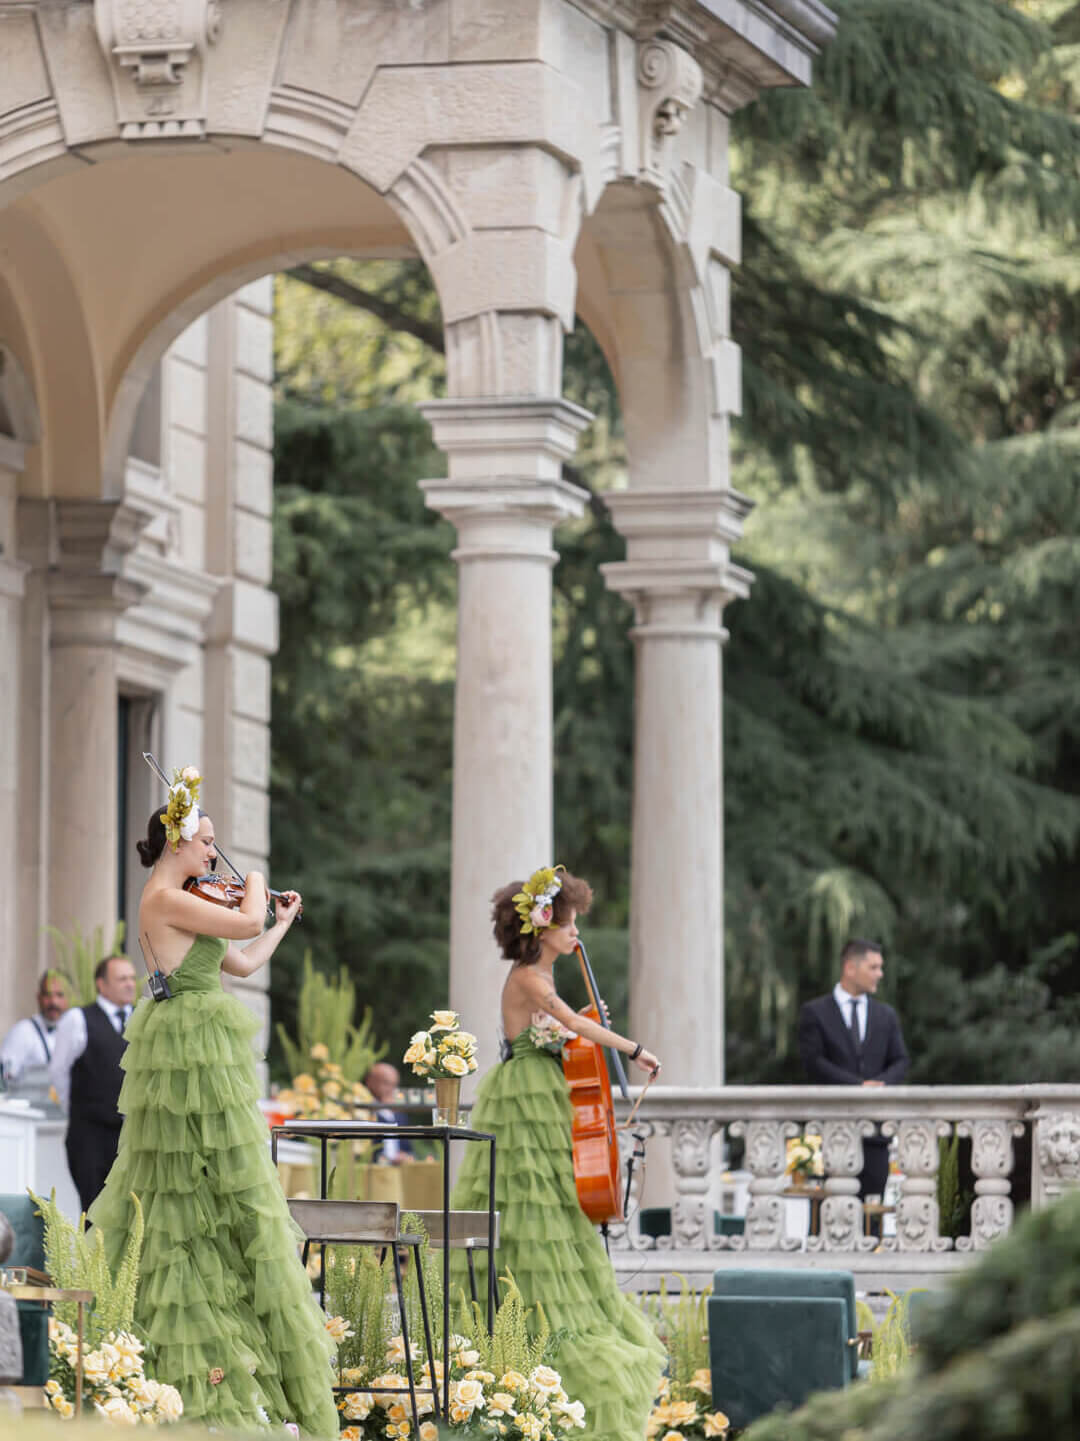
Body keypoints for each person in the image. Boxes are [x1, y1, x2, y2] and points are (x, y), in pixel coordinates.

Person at [89, 771, 337, 1437]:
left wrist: (280, 923)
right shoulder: (165, 896)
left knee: (220, 1189)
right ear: (177, 838)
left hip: (204, 1044)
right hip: (189, 1049)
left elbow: (246, 957)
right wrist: (256, 878)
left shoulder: (188, 897)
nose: (212, 853)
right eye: (206, 840)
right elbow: (246, 912)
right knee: (184, 1194)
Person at [448, 865, 666, 1441]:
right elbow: (566, 1021)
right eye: (566, 923)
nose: (575, 933)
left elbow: (566, 1029)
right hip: (526, 1098)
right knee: (532, 1205)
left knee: (554, 1207)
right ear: (541, 927)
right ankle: (526, 1334)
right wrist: (634, 1048)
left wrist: (583, 1031)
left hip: (545, 1094)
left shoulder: (539, 977)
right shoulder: (528, 977)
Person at [798, 938, 909, 1203]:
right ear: (850, 968)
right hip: (830, 1130)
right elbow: (813, 1063)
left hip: (875, 1134)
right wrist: (857, 1087)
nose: (880, 974)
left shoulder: (886, 1016)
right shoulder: (814, 1012)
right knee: (828, 1213)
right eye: (873, 967)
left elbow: (901, 1060)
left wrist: (878, 1086)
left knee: (872, 1217)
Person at [49, 955, 137, 1213]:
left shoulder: (141, 1020)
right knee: (95, 1213)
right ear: (101, 984)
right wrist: (80, 1109)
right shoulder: (77, 1019)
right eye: (122, 979)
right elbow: (59, 1071)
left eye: (132, 978)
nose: (130, 984)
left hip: (131, 1138)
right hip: (90, 1137)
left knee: (132, 1215)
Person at [1, 969, 72, 1085]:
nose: (53, 1002)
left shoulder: (76, 1032)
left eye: (60, 995)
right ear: (38, 998)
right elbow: (4, 1078)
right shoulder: (23, 1032)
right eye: (47, 995)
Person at [363, 1061, 414, 1163]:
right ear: (370, 1082)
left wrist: (405, 1156)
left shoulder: (399, 1114)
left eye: (394, 1085)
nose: (391, 1089)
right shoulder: (362, 1109)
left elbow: (408, 1149)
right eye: (386, 1083)